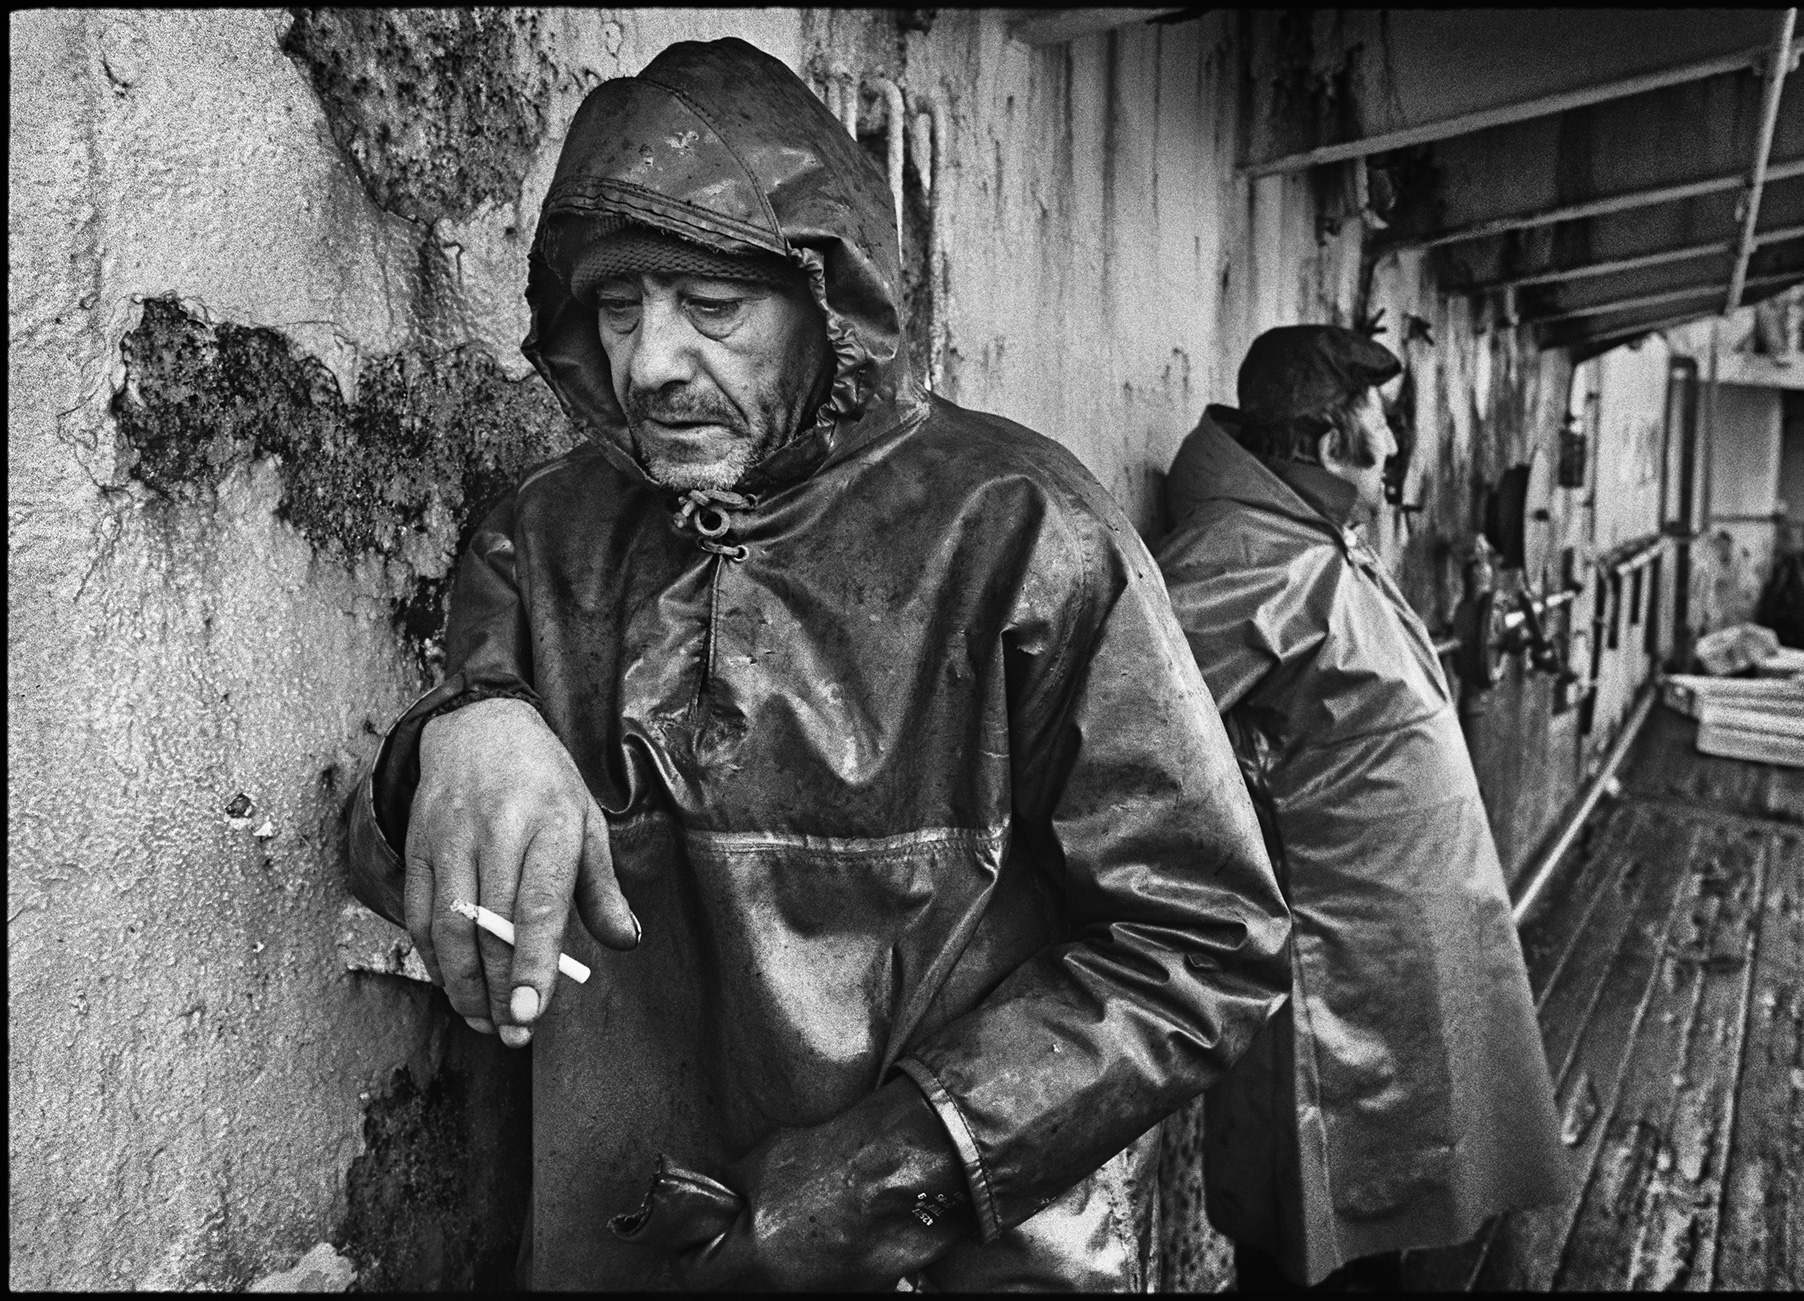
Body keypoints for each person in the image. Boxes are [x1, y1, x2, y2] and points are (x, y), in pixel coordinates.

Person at [345, 37, 1291, 1292]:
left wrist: (897, 1169)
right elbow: (412, 866)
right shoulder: (539, 540)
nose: (650, 363)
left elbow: (1208, 934)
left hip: (962, 1264)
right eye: (619, 310)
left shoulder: (1023, 532)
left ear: (827, 304)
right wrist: (450, 739)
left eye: (712, 309)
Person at [1151, 326, 1571, 1290]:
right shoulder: (1242, 555)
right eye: (1379, 420)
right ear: (1325, 444)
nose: (1392, 443)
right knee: (1325, 1237)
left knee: (1392, 1215)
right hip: (1340, 971)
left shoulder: (1315, 542)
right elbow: (1139, 743)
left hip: (1396, 962)